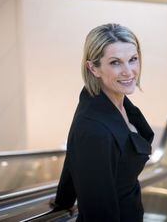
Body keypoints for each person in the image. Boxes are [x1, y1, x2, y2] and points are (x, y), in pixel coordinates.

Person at [52, 23, 154, 221]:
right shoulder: (94, 130)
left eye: (133, 60)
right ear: (93, 68)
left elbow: (74, 154)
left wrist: (63, 200)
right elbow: (98, 214)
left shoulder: (106, 100)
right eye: (115, 63)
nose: (129, 71)